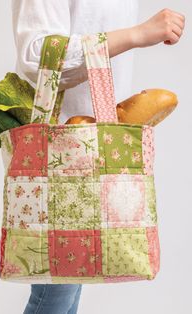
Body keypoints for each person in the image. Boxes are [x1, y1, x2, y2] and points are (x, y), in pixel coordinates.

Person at [11, 1, 185, 313]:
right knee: (56, 294)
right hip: (60, 154)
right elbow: (36, 55)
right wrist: (136, 34)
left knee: (68, 289)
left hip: (95, 153)